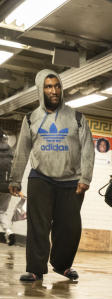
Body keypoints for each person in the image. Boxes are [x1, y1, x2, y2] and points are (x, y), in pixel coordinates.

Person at [9, 69, 94, 282]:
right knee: (38, 225)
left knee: (70, 227)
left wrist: (86, 177)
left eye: (56, 86)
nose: (54, 90)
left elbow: (87, 148)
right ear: (41, 90)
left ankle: (62, 266)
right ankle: (35, 269)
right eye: (48, 87)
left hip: (71, 181)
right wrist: (15, 178)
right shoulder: (31, 119)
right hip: (41, 178)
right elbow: (22, 150)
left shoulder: (76, 117)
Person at [0, 132, 16, 245]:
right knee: (2, 211)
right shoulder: (10, 150)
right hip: (7, 187)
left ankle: (8, 231)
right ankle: (8, 231)